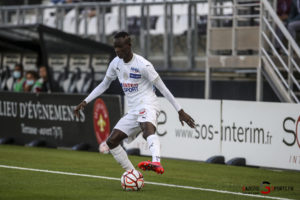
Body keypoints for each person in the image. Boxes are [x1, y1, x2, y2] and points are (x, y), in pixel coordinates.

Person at [74, 31, 195, 175]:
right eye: (115, 48)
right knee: (111, 142)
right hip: (133, 110)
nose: (117, 50)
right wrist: (85, 101)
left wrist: (180, 111)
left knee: (147, 129)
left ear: (129, 45)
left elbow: (163, 88)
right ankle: (133, 173)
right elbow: (104, 84)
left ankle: (156, 161)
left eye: (120, 47)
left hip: (148, 103)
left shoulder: (144, 65)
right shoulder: (115, 63)